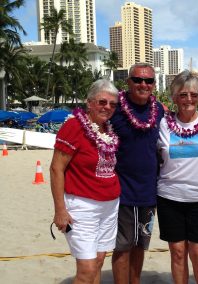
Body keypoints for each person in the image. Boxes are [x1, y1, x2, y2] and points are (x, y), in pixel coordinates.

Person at [49, 79, 120, 284]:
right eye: (102, 102)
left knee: (98, 262)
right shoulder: (74, 126)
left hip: (109, 205)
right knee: (87, 269)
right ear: (89, 103)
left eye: (112, 104)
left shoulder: (108, 129)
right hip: (82, 206)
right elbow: (56, 168)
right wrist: (60, 210)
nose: (107, 107)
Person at [156, 70, 198, 284]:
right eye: (183, 94)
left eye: (193, 94)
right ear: (174, 97)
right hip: (169, 197)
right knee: (177, 252)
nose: (188, 99)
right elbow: (157, 157)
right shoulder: (164, 125)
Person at [110, 63, 165, 284]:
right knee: (123, 247)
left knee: (141, 244)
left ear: (154, 85)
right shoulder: (114, 108)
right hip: (122, 191)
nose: (144, 84)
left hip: (149, 192)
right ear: (128, 82)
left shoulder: (159, 109)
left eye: (149, 80)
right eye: (138, 80)